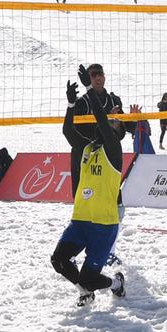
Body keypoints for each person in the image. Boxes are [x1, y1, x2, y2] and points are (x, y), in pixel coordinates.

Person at [51, 64, 128, 305]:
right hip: (81, 222)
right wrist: (72, 105)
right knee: (58, 261)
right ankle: (85, 291)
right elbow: (67, 130)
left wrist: (88, 88)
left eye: (114, 122)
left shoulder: (114, 150)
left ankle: (116, 283)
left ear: (117, 132)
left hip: (104, 226)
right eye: (110, 120)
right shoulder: (87, 147)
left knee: (91, 277)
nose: (109, 122)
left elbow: (102, 121)